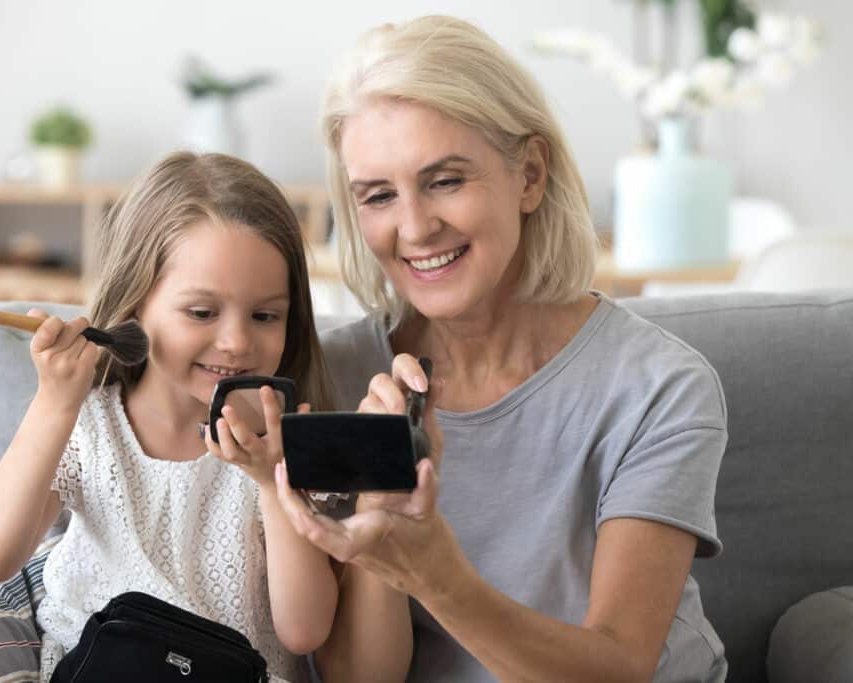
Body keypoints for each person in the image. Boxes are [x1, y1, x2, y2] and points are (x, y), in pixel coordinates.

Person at [275, 15, 728, 683]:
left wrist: (435, 572)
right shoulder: (336, 377)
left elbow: (620, 666)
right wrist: (384, 506)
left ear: (531, 175)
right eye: (377, 195)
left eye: (445, 180)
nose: (415, 227)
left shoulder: (660, 387)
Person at [0, 151, 338, 682]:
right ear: (136, 303)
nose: (236, 343)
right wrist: (55, 403)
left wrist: (271, 480)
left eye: (264, 315)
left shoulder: (284, 443)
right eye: (202, 313)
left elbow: (304, 633)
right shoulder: (87, 424)